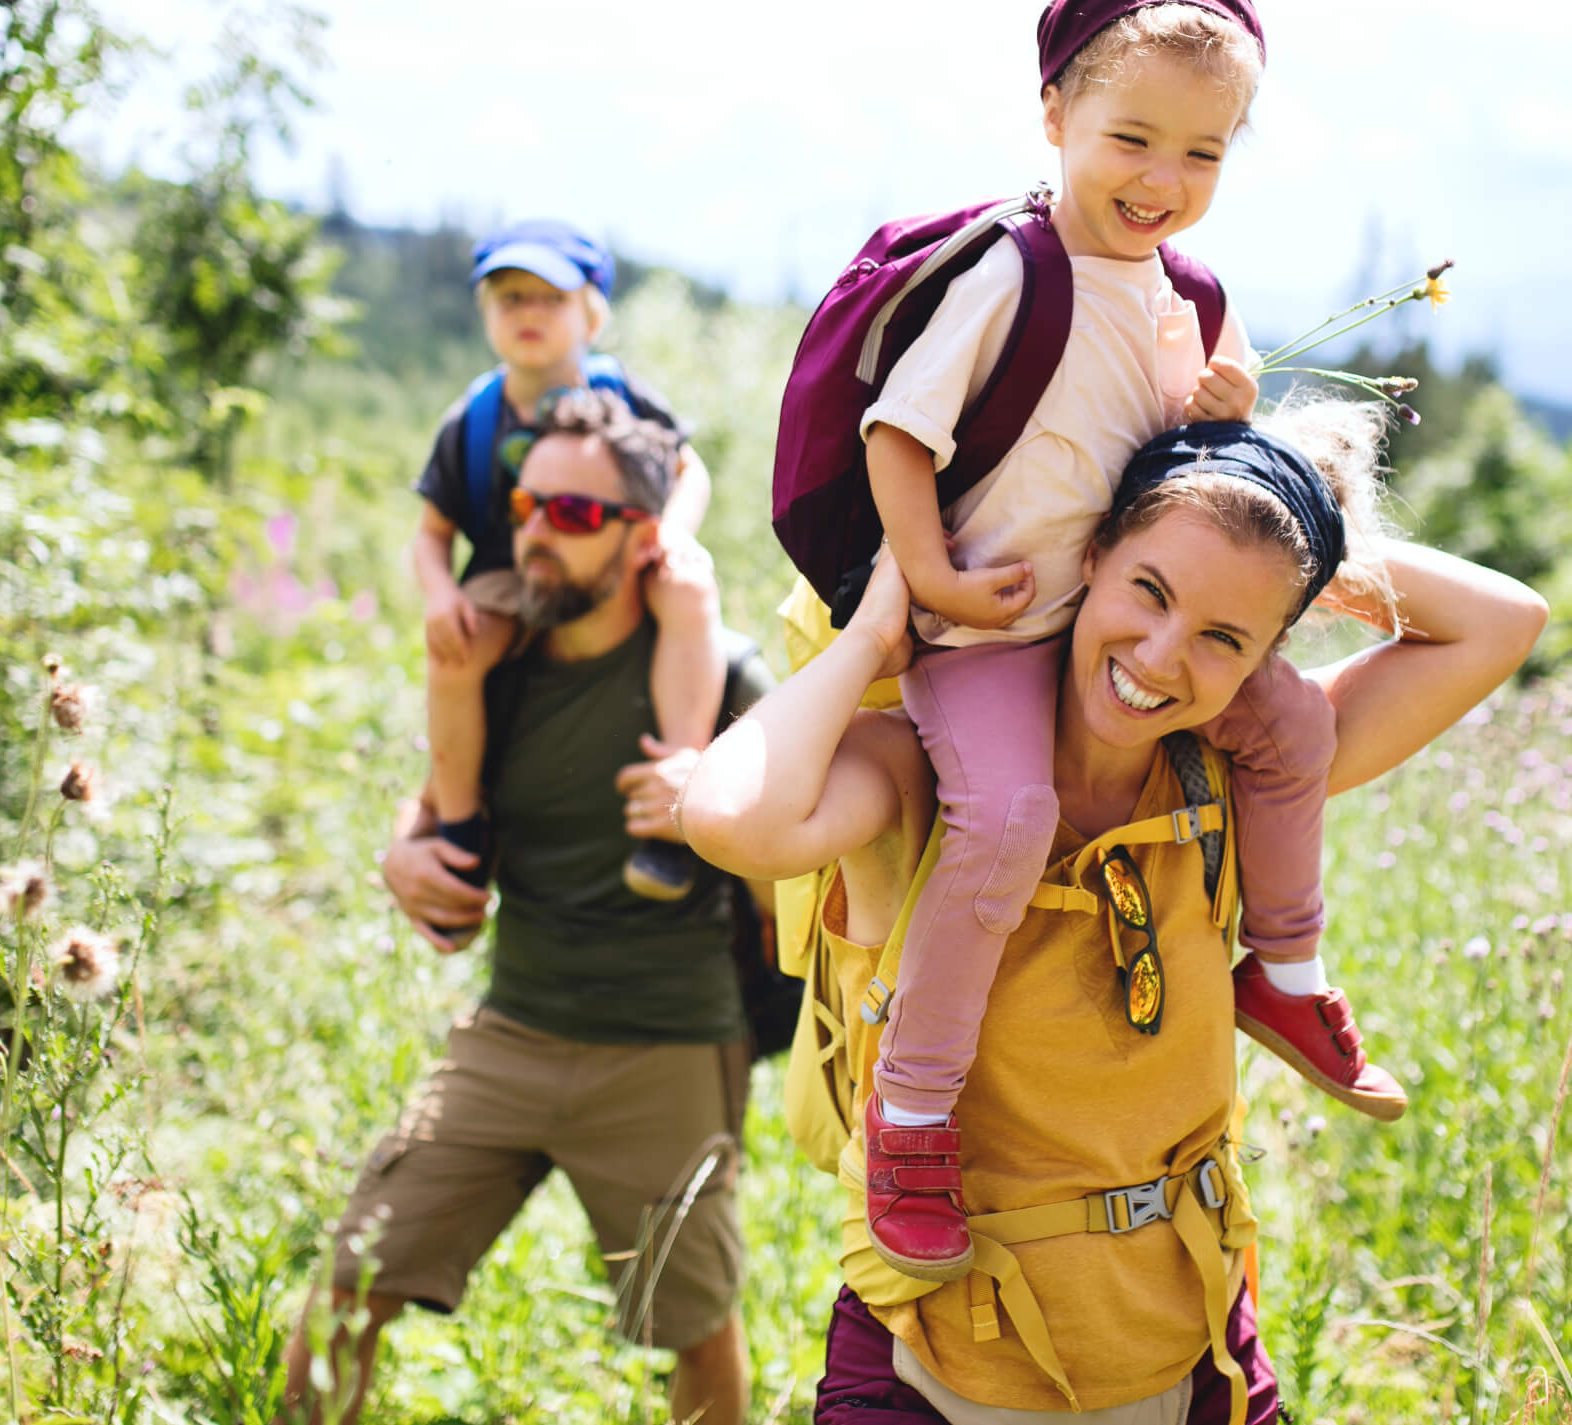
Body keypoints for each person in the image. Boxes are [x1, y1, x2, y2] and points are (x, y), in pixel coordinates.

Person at [680, 404, 1547, 1422]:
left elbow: (1505, 621)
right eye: (1150, 588)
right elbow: (731, 818)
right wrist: (877, 629)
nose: (1164, 657)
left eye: (1225, 636)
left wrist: (1281, 518)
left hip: (1195, 1359)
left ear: (1264, 655)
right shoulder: (919, 775)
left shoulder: (1237, 777)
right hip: (934, 1366)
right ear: (1086, 554)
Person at [839, 0, 1400, 1283]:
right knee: (1006, 816)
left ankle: (1288, 968)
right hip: (989, 631)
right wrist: (928, 578)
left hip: (1113, 620)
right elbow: (899, 429)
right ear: (1055, 118)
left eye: (1202, 155)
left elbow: (1224, 427)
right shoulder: (1009, 272)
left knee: (1293, 723)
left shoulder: (1189, 290)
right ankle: (913, 1111)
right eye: (1132, 140)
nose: (1163, 180)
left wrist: (1231, 400)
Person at [280, 391, 769, 1425]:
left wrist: (716, 822)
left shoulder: (721, 679)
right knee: (344, 1290)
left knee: (697, 1326)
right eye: (526, 506)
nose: (538, 532)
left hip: (669, 1044)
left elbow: (802, 863)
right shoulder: (500, 666)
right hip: (512, 1031)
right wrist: (399, 861)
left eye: (576, 515)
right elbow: (429, 815)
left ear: (644, 537)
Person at [410, 218, 725, 909]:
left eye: (549, 298)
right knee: (454, 655)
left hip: (615, 556)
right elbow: (431, 533)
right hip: (508, 570)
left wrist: (671, 533)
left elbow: (687, 469)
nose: (528, 314)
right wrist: (439, 594)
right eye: (508, 298)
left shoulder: (625, 396)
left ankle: (673, 795)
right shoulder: (472, 419)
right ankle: (461, 830)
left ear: (592, 314)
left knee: (689, 589)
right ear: (485, 312)